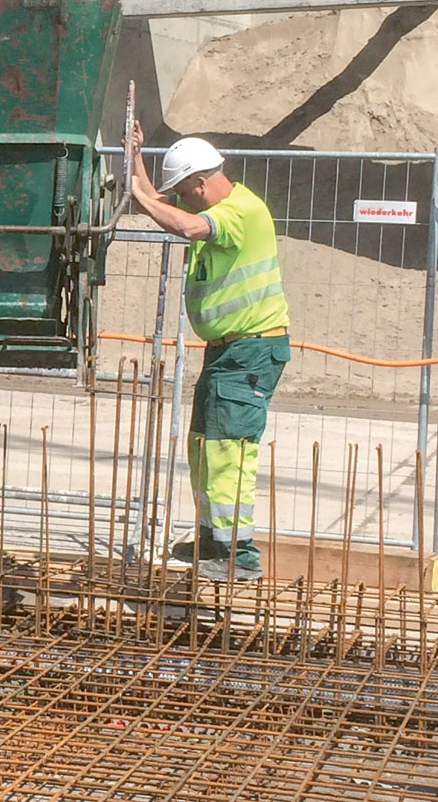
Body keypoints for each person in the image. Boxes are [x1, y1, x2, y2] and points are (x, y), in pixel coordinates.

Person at [129, 123, 290, 581]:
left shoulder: (240, 211)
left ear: (201, 182)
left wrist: (136, 195)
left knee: (228, 450)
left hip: (251, 352)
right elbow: (160, 203)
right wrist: (135, 157)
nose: (183, 199)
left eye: (185, 191)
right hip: (227, 352)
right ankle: (211, 541)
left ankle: (238, 556)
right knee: (204, 445)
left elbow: (183, 223)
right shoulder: (212, 201)